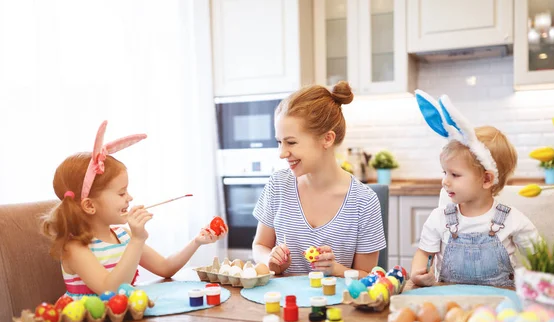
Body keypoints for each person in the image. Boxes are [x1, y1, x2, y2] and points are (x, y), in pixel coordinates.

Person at [42, 121, 227, 296]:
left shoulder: (123, 236)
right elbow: (110, 291)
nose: (129, 198)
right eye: (121, 193)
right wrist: (137, 240)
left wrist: (196, 241)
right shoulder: (75, 248)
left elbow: (165, 268)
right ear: (90, 205)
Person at [252, 82, 386, 278]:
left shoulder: (364, 202)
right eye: (279, 142)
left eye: (291, 142)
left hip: (338, 306)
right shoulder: (278, 185)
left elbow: (368, 276)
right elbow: (260, 245)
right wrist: (271, 260)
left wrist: (336, 269)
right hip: (283, 304)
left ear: (327, 139)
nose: (282, 153)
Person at [410, 90, 540, 288]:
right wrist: (417, 275)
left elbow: (541, 259)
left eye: (454, 174)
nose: (445, 181)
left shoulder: (514, 220)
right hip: (450, 303)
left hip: (500, 307)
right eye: (444, 172)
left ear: (487, 179)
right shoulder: (439, 218)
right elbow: (423, 253)